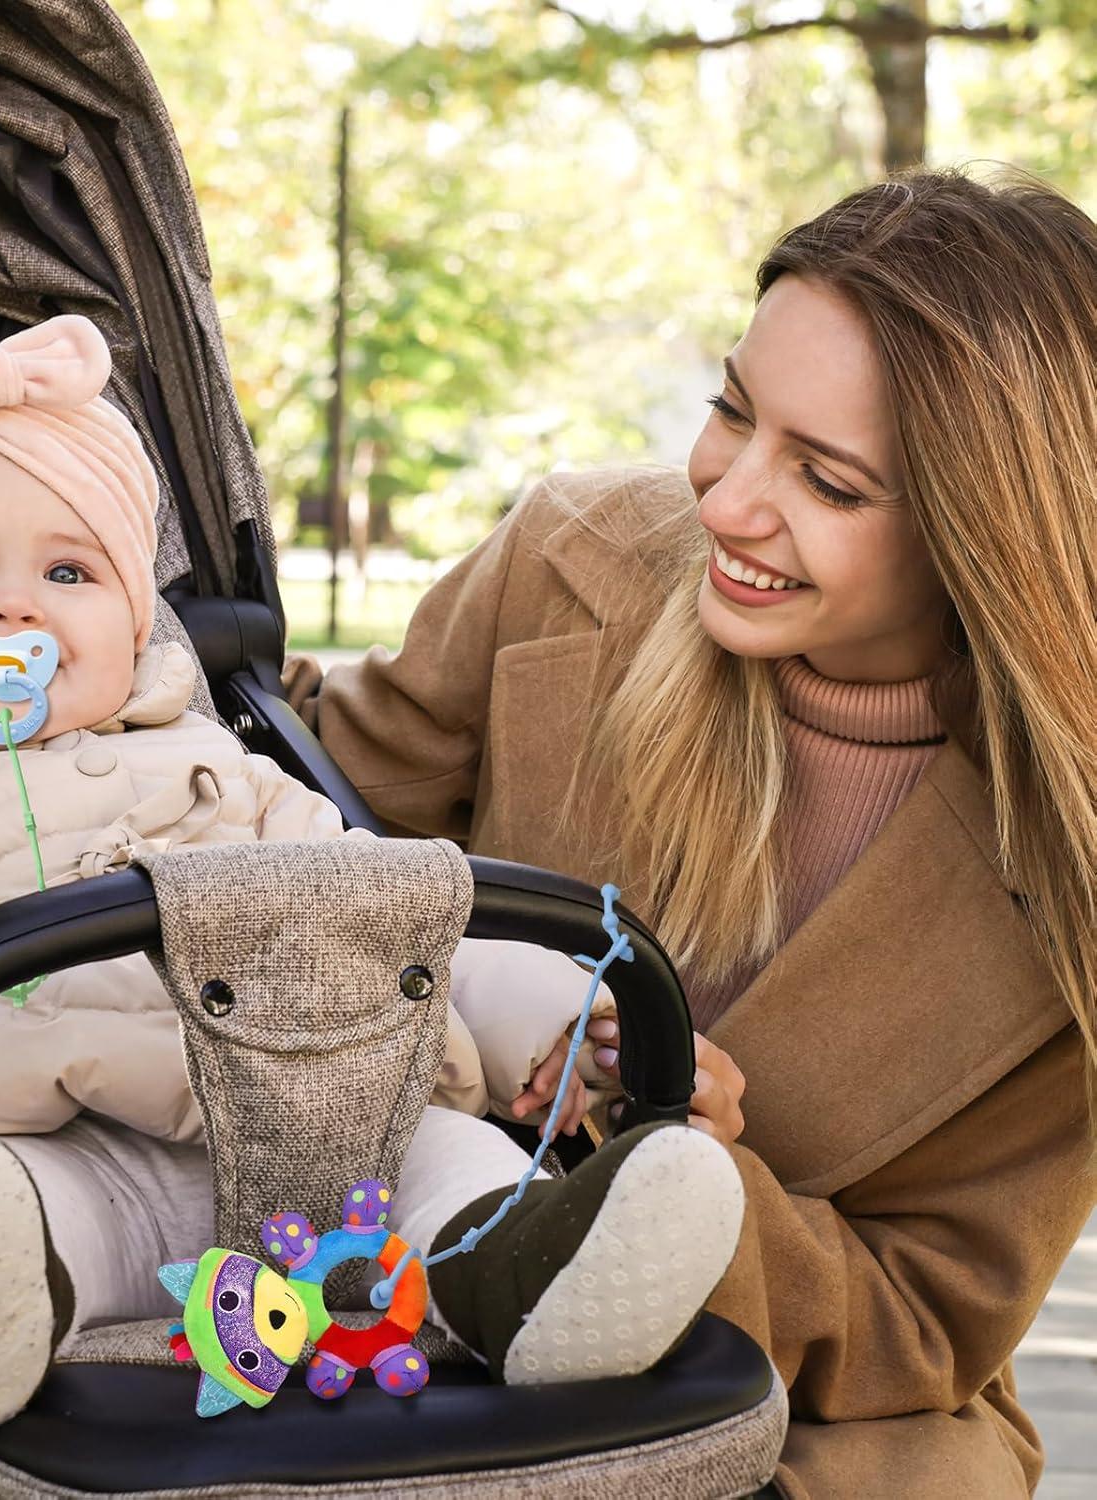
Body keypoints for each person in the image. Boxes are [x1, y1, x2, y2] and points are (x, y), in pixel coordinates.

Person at [0, 315, 746, 1438]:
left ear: (137, 614)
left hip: (319, 1141)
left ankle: (528, 1270)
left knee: (451, 1154)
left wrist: (560, 1023)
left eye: (67, 571)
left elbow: (390, 924)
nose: (11, 608)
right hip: (60, 1154)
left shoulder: (220, 773)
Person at [285, 166, 1097, 1498]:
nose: (726, 501)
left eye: (826, 481)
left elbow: (923, 1320)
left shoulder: (1063, 863)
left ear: (982, 532)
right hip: (393, 1267)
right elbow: (314, 809)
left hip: (800, 1405)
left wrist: (684, 1182)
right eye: (733, 410)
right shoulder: (568, 561)